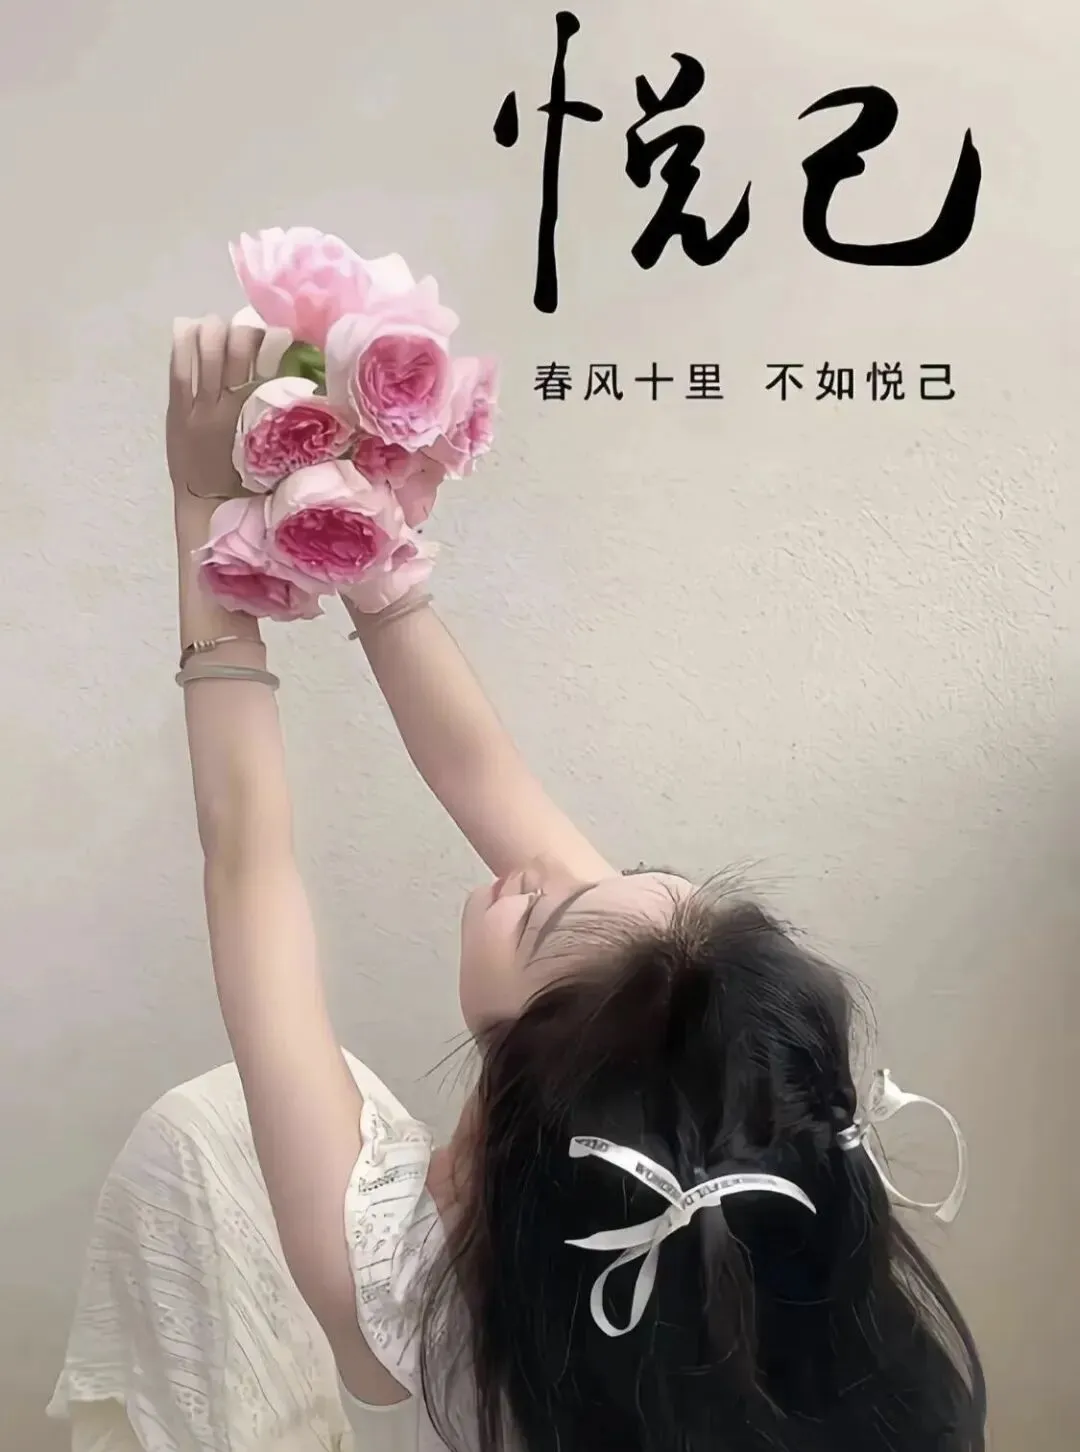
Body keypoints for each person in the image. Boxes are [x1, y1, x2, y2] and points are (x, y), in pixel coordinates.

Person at [162, 314, 986, 1452]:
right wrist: (369, 555)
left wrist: (202, 510)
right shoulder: (739, 1146)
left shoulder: (407, 1286)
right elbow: (483, 777)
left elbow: (247, 863)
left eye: (552, 902)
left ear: (528, 1051)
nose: (541, 867)